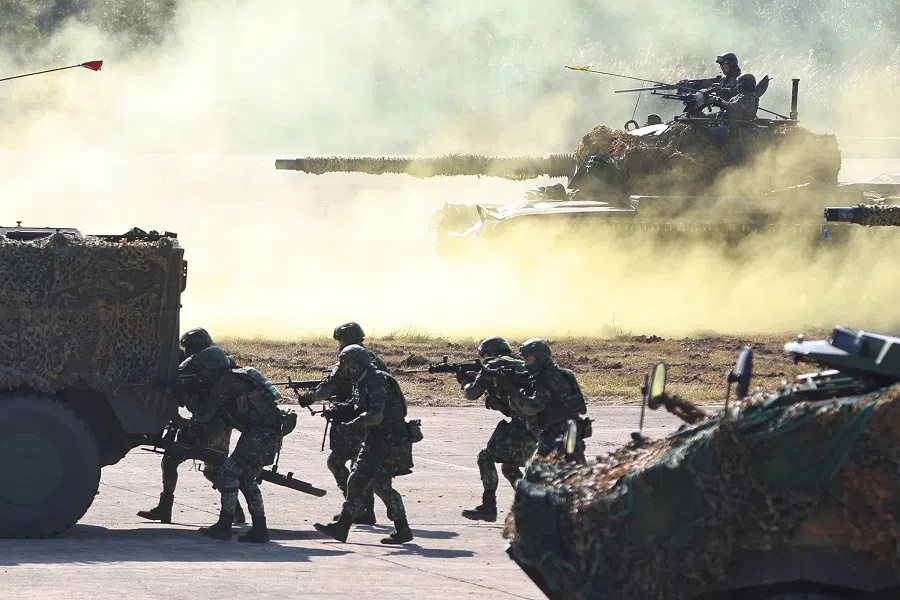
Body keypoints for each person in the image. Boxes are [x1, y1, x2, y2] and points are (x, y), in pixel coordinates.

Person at [138, 328, 245, 524]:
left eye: (188, 348)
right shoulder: (225, 361)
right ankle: (166, 508)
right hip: (218, 423)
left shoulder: (196, 364)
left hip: (210, 424)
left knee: (212, 468)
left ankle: (234, 511)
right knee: (181, 461)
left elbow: (175, 384)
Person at [310, 345, 415, 544]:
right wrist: (339, 409)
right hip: (376, 439)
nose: (343, 369)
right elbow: (358, 405)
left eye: (347, 365)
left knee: (381, 486)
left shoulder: (377, 381)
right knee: (357, 480)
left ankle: (403, 529)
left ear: (358, 364)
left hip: (390, 440)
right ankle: (343, 527)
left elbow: (375, 415)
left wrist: (352, 425)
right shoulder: (363, 381)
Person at [183, 346, 284, 543]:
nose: (202, 376)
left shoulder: (225, 382)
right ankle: (260, 529)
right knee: (246, 478)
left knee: (229, 472)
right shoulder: (238, 376)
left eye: (203, 371)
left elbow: (205, 415)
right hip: (268, 432)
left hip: (260, 434)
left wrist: (189, 398)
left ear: (212, 368)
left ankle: (224, 526)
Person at [295, 321, 386, 525]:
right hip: (372, 419)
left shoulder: (349, 359)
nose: (339, 345)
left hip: (354, 419)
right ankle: (364, 511)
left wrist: (309, 398)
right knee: (359, 465)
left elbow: (330, 387)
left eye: (340, 341)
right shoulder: (373, 360)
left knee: (339, 462)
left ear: (346, 340)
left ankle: (355, 508)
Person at [458, 337, 537, 522]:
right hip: (535, 427)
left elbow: (471, 394)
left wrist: (464, 381)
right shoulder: (520, 365)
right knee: (509, 467)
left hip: (522, 425)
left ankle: (489, 506)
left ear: (487, 353)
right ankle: (533, 504)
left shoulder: (493, 366)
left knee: (485, 457)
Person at [507, 339, 589, 464]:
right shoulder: (555, 373)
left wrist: (514, 393)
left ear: (540, 358)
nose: (526, 364)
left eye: (529, 359)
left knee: (564, 472)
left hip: (561, 432)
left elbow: (533, 407)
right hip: (563, 430)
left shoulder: (548, 378)